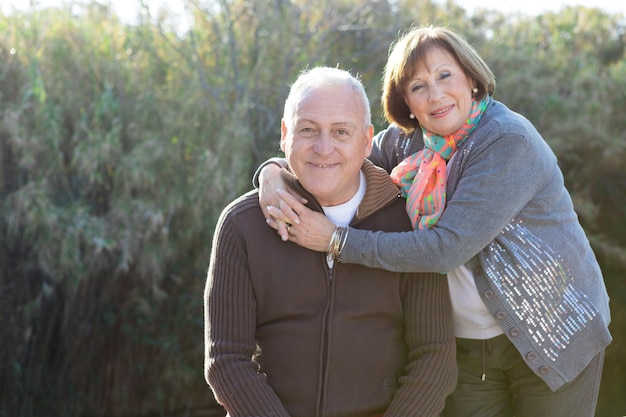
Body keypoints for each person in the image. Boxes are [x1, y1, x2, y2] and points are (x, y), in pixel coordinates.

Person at [256, 27, 612, 417]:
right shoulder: (408, 142)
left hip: (552, 331)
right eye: (418, 86)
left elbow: (447, 248)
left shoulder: (507, 142)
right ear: (405, 101)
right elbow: (336, 161)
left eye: (445, 76)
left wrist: (337, 241)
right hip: (468, 345)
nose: (436, 95)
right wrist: (273, 171)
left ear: (471, 79)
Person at [204, 66, 456, 417]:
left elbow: (435, 358)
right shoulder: (242, 225)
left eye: (341, 131)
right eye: (308, 130)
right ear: (284, 134)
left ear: (367, 141)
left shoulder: (409, 222)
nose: (323, 148)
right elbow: (227, 361)